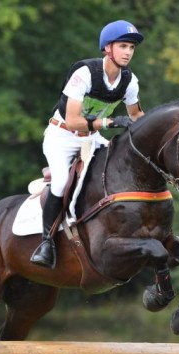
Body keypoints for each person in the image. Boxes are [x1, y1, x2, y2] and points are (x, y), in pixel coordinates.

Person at [30, 20, 146, 269]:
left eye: (132, 48)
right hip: (62, 136)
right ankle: (46, 241)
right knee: (60, 182)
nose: (128, 52)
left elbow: (137, 116)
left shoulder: (129, 81)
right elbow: (73, 120)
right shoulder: (84, 74)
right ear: (107, 48)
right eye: (123, 46)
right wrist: (111, 120)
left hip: (91, 138)